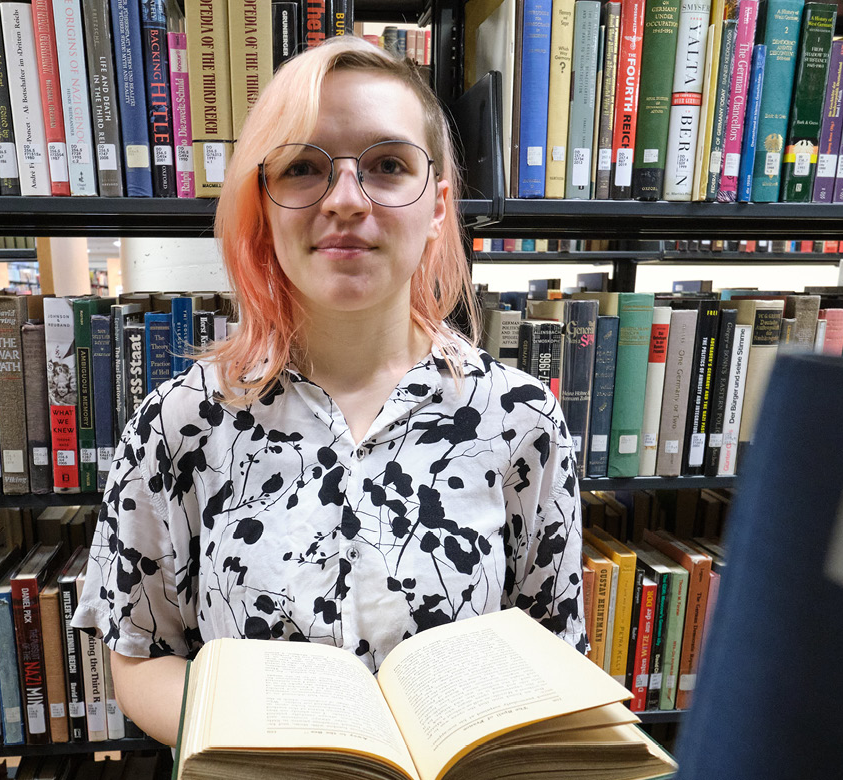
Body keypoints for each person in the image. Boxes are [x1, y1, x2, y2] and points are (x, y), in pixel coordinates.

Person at [71, 36, 585, 746]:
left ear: (437, 206)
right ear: (264, 204)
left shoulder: (518, 418)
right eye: (305, 168)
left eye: (387, 165)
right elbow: (141, 655)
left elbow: (552, 645)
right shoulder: (181, 422)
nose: (346, 200)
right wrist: (282, 745)